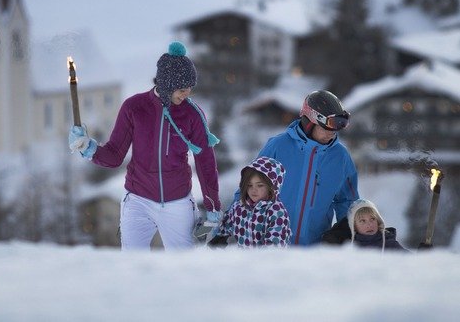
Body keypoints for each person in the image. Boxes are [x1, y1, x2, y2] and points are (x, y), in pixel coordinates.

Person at [68, 41, 221, 250]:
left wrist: (213, 206)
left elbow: (205, 163)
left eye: (190, 89)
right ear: (167, 83)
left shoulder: (192, 115)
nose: (187, 94)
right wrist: (89, 148)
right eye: (183, 89)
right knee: (132, 264)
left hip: (178, 202)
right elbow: (114, 156)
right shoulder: (134, 107)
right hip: (138, 200)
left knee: (184, 265)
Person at [257, 89, 359, 246]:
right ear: (310, 122)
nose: (332, 133)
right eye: (327, 127)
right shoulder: (278, 146)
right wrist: (225, 229)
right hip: (272, 246)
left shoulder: (340, 156)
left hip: (314, 250)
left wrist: (345, 231)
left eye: (337, 127)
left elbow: (348, 201)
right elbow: (248, 190)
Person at [210, 156, 291, 248]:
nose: (253, 190)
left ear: (273, 187)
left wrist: (261, 259)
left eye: (260, 185)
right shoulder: (239, 207)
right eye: (249, 185)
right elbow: (225, 224)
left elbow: (275, 245)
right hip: (244, 259)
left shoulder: (277, 212)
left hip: (270, 260)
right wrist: (218, 238)